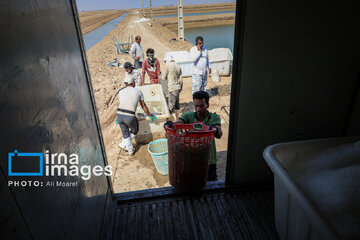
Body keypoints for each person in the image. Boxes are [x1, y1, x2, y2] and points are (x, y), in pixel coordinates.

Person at [165, 91, 222, 181]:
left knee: (211, 185)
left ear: (207, 105)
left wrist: (215, 129)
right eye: (196, 106)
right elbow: (180, 123)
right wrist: (172, 124)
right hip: (192, 158)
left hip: (209, 160)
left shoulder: (214, 117)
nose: (198, 109)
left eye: (201, 106)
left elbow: (219, 134)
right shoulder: (188, 116)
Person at [117, 75, 157, 155]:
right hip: (129, 116)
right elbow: (143, 106)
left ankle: (129, 149)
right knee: (135, 130)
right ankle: (125, 145)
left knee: (125, 133)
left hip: (119, 115)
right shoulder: (138, 92)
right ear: (133, 82)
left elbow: (121, 104)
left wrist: (117, 118)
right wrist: (149, 114)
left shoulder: (120, 92)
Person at [162, 54, 182, 120]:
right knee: (177, 105)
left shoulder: (167, 66)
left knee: (171, 106)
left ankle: (173, 121)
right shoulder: (178, 66)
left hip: (171, 88)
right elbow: (181, 80)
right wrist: (180, 88)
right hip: (178, 88)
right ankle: (178, 119)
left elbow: (163, 78)